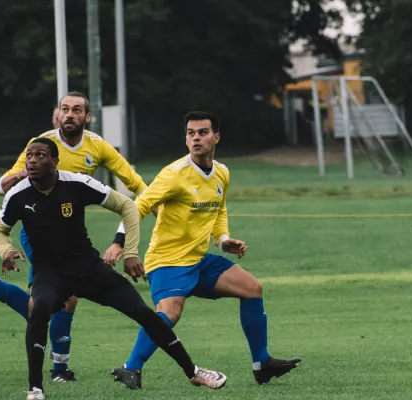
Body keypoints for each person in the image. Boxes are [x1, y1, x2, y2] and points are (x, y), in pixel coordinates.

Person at [0, 138, 226, 400]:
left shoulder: (77, 183)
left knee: (143, 313)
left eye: (40, 155)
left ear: (55, 161)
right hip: (50, 274)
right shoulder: (17, 194)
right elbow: (0, 231)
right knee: (38, 311)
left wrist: (129, 252)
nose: (32, 160)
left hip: (89, 269)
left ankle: (192, 370)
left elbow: (127, 205)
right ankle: (35, 389)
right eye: (29, 156)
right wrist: (7, 251)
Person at [104, 111, 300, 389]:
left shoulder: (222, 173)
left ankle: (262, 364)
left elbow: (219, 209)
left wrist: (223, 240)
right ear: (186, 140)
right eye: (190, 133)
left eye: (202, 132)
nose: (196, 138)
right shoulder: (173, 174)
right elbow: (137, 206)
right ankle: (130, 368)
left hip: (199, 260)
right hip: (167, 260)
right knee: (170, 313)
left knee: (252, 288)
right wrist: (119, 242)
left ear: (216, 137)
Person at [0, 92, 148, 382]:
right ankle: (59, 370)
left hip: (73, 237)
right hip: (38, 232)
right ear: (58, 114)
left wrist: (124, 235)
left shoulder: (98, 146)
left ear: (87, 117)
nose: (69, 115)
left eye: (76, 110)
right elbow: (1, 186)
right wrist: (21, 174)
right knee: (59, 302)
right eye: (65, 109)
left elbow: (137, 187)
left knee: (45, 306)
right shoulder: (41, 145)